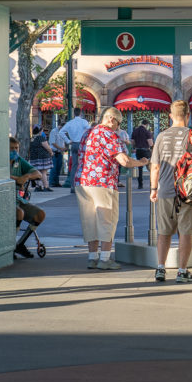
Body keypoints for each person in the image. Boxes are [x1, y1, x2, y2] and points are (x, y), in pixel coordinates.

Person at [75, 107, 148, 270]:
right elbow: (124, 161)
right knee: (107, 220)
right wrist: (142, 163)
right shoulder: (107, 133)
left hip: (83, 181)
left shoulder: (88, 132)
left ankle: (92, 258)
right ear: (111, 119)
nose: (118, 127)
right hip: (103, 182)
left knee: (90, 220)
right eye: (119, 123)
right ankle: (105, 259)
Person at [150, 101, 192, 283]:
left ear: (170, 115)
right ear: (188, 115)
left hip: (166, 190)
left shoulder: (161, 136)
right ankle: (182, 271)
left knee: (164, 232)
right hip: (188, 191)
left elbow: (155, 166)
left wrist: (153, 189)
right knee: (186, 232)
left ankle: (160, 268)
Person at [10, 137, 47, 259]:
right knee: (19, 213)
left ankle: (20, 244)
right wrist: (17, 179)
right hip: (5, 199)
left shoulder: (19, 161)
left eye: (16, 148)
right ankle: (11, 246)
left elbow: (38, 173)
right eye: (11, 148)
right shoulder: (0, 162)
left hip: (18, 198)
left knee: (40, 214)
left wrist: (26, 176)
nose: (14, 151)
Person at [60, 108, 90, 194]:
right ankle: (82, 185)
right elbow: (89, 130)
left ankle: (73, 186)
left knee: (74, 165)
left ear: (74, 113)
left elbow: (61, 132)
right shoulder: (84, 122)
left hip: (73, 144)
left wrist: (68, 141)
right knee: (84, 165)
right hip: (82, 144)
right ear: (80, 113)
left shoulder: (70, 123)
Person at [28, 125, 54, 192]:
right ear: (40, 131)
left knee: (37, 172)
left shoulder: (31, 139)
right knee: (44, 172)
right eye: (42, 130)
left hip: (34, 158)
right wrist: (51, 152)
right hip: (42, 157)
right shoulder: (41, 138)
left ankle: (38, 186)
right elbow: (47, 147)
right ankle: (46, 186)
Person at [131, 119, 154, 189]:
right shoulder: (147, 132)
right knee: (150, 167)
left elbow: (132, 142)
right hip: (146, 151)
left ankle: (140, 184)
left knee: (140, 167)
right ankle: (152, 184)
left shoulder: (135, 131)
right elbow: (150, 143)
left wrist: (136, 146)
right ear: (147, 125)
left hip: (138, 151)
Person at [48, 121, 69, 188]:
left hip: (60, 152)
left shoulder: (63, 133)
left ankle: (56, 182)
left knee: (58, 168)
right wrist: (60, 148)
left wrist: (64, 147)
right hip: (54, 152)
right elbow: (53, 142)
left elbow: (63, 141)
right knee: (53, 168)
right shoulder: (54, 131)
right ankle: (52, 182)